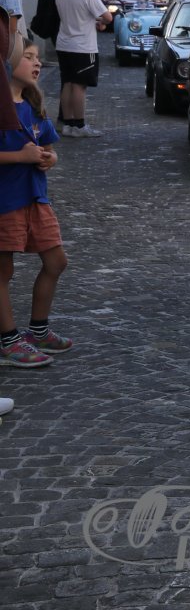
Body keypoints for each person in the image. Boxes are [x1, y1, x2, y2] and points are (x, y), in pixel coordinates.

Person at [0, 41, 67, 370]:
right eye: (28, 57)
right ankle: (8, 340)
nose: (37, 63)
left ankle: (38, 331)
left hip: (36, 199)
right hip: (5, 201)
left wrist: (49, 159)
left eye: (38, 58)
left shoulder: (33, 105)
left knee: (56, 261)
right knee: (3, 271)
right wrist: (20, 157)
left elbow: (49, 149)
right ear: (8, 63)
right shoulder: (3, 110)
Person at [54, 0, 112, 137]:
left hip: (64, 44)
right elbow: (108, 17)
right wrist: (100, 22)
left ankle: (68, 124)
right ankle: (79, 126)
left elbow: (75, 16)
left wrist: (93, 21)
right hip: (83, 47)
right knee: (79, 86)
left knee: (67, 83)